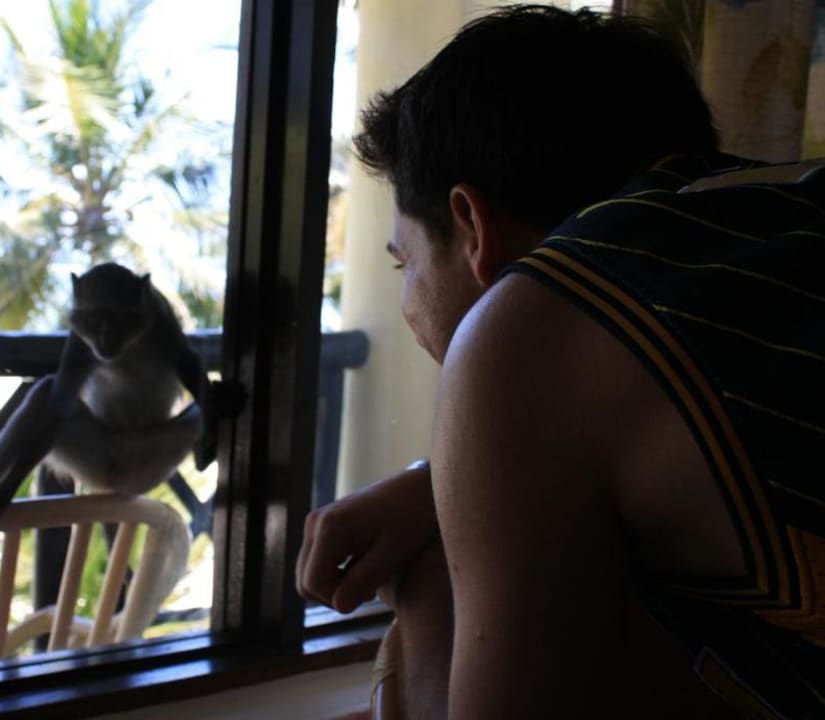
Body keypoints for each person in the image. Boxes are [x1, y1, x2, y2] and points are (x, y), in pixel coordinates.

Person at [295, 5, 825, 719]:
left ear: (471, 227)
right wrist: (439, 486)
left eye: (404, 265)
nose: (409, 304)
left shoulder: (532, 315)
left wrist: (436, 567)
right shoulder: (763, 220)